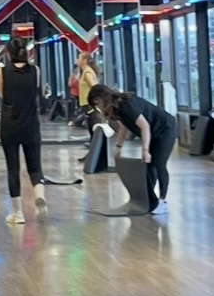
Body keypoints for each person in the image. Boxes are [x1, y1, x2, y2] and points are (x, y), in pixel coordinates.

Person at [89, 83, 177, 212]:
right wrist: (118, 146)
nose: (99, 107)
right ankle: (150, 200)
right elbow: (123, 127)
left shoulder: (126, 104)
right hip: (152, 132)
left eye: (99, 103)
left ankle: (163, 200)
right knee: (148, 166)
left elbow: (144, 126)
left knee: (159, 164)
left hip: (165, 128)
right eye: (96, 105)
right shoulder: (115, 108)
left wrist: (145, 150)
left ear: (104, 97)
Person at [0, 37, 46, 224]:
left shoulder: (3, 72)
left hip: (9, 125)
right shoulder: (35, 70)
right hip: (31, 124)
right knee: (35, 165)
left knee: (13, 168)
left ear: (8, 53)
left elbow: (2, 95)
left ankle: (17, 213)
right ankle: (40, 194)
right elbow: (37, 92)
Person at [70, 52, 98, 128]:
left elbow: (94, 87)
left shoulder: (87, 73)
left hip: (89, 103)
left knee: (92, 124)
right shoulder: (84, 72)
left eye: (79, 58)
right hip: (85, 103)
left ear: (84, 60)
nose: (77, 60)